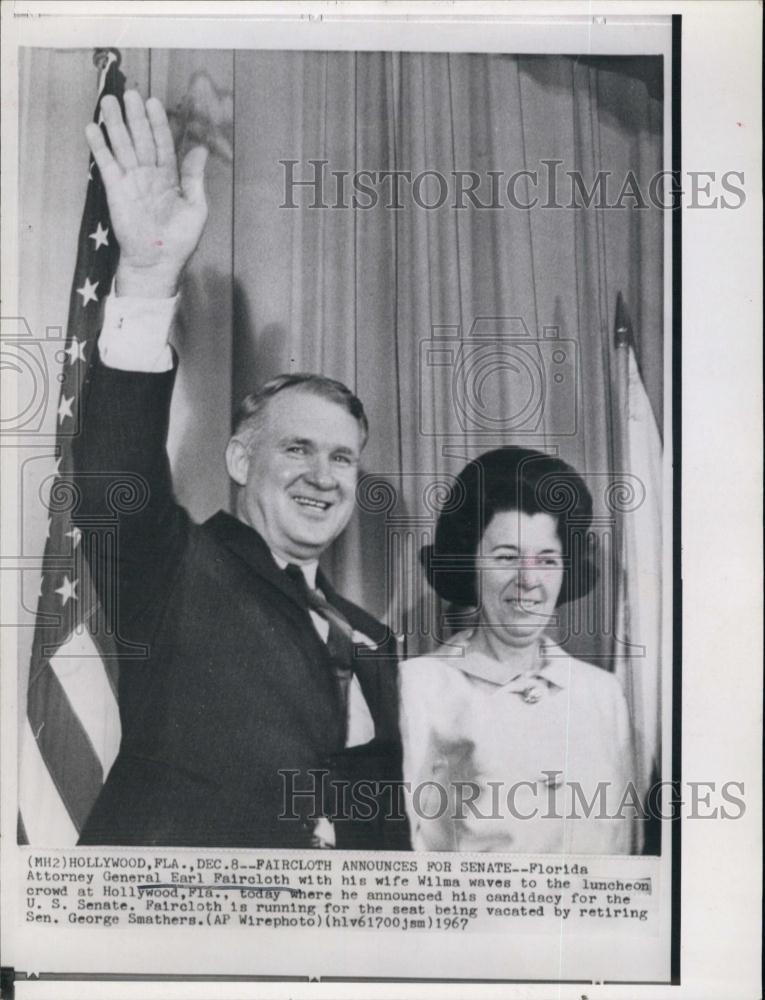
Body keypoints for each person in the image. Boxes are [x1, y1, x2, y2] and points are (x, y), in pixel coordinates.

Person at [72, 90, 407, 849]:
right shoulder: (176, 568)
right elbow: (111, 474)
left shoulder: (377, 645)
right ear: (237, 458)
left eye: (343, 457)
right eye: (297, 448)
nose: (324, 475)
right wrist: (148, 277)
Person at [399, 447, 636, 853]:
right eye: (506, 557)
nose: (527, 580)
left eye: (546, 559)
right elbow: (409, 846)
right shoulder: (419, 685)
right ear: (469, 564)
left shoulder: (603, 692)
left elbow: (623, 841)